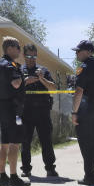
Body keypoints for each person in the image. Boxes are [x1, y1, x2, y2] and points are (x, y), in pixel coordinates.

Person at [0, 37, 30, 186]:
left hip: (3, 107)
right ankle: (13, 177)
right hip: (14, 109)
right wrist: (22, 80)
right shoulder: (11, 66)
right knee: (14, 143)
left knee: (4, 143)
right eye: (18, 47)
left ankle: (2, 176)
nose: (20, 50)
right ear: (10, 48)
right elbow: (16, 83)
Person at [70, 40, 94, 186]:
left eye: (78, 51)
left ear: (87, 51)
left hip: (86, 110)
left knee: (86, 144)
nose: (76, 53)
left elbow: (79, 91)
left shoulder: (84, 67)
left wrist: (74, 112)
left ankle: (90, 177)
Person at [20, 44, 59, 178]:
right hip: (26, 112)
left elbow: (53, 88)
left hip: (42, 112)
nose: (32, 59)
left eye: (34, 56)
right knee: (25, 142)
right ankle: (26, 169)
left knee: (46, 141)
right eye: (29, 56)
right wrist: (25, 82)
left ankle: (50, 168)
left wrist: (42, 79)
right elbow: (12, 89)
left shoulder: (43, 70)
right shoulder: (19, 70)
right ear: (24, 56)